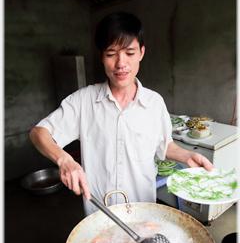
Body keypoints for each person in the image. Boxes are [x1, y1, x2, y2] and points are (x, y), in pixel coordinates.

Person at [30, 12, 214, 216]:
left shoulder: (154, 103)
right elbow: (39, 133)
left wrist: (188, 155)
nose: (120, 64)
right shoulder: (84, 101)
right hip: (99, 214)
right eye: (111, 54)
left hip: (143, 213)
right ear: (101, 55)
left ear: (142, 53)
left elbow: (164, 145)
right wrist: (64, 160)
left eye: (129, 53)